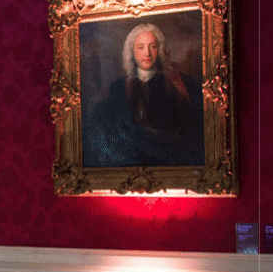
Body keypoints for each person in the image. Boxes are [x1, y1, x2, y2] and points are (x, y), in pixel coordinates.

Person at [84, 23, 204, 168]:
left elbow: (193, 129)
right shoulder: (118, 87)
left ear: (160, 50)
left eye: (152, 46)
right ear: (131, 51)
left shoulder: (178, 83)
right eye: (140, 47)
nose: (147, 53)